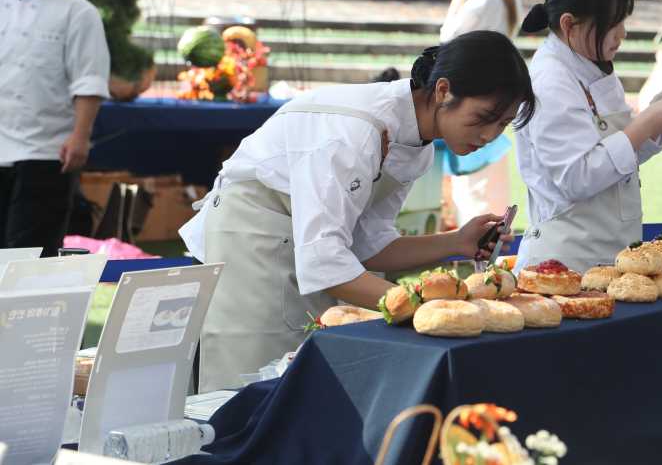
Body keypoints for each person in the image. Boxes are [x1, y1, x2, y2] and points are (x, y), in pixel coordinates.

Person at [179, 30, 536, 391]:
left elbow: (368, 246)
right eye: (485, 117)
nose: (491, 135)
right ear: (443, 91)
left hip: (303, 257)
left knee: (301, 390)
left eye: (502, 124)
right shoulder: (356, 131)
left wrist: (456, 242)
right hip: (250, 248)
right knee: (248, 393)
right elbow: (326, 264)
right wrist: (417, 309)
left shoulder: (418, 144)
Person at [514, 0, 662, 272]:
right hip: (563, 263)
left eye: (623, 21)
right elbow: (577, 177)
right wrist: (645, 124)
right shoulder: (550, 80)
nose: (622, 33)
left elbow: (618, 158)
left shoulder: (592, 65)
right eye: (612, 23)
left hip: (608, 254)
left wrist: (658, 115)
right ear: (569, 25)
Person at [0, 0, 110, 257]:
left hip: (48, 150)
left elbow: (89, 80)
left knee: (30, 253)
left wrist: (81, 137)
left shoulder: (78, 11)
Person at [440, 0, 523, 226]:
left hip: (475, 90)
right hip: (500, 89)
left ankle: (472, 232)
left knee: (472, 175)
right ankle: (490, 229)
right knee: (489, 175)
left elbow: (447, 38)